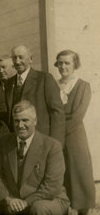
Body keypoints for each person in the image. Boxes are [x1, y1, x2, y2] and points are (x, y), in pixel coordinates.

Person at [0, 100, 70, 214]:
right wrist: (8, 199)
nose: (20, 125)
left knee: (38, 208)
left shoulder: (52, 146)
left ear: (35, 121)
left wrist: (25, 202)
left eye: (25, 120)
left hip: (49, 200)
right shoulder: (5, 143)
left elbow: (52, 186)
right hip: (14, 200)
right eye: (16, 121)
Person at [54, 50, 95, 214]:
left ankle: (83, 210)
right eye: (60, 63)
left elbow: (77, 115)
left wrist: (58, 135)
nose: (63, 66)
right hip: (56, 138)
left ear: (75, 65)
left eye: (67, 63)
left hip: (74, 136)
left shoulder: (82, 85)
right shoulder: (53, 85)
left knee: (79, 173)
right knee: (60, 174)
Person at [4, 45, 65, 145]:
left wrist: (55, 144)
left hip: (41, 140)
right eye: (14, 58)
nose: (17, 61)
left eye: (21, 57)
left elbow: (57, 113)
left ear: (31, 59)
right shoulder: (9, 84)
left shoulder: (44, 79)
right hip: (18, 142)